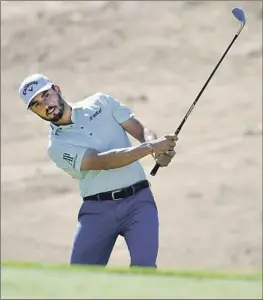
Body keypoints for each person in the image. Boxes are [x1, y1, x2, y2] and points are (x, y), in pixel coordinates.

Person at [19, 73, 178, 268]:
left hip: (139, 202)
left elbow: (140, 130)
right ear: (35, 112)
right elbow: (103, 162)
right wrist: (152, 148)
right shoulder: (56, 147)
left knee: (144, 270)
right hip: (97, 211)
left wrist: (155, 149)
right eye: (36, 104)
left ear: (57, 90)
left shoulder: (100, 102)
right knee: (80, 279)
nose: (45, 105)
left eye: (45, 95)